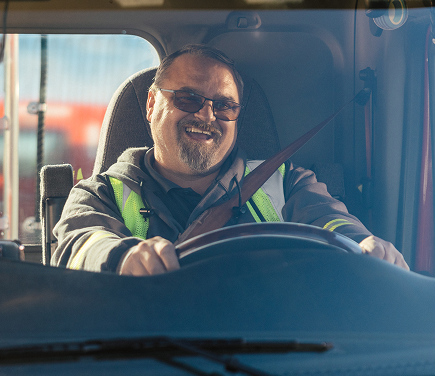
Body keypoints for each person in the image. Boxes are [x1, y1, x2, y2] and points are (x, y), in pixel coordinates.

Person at [51, 44, 409, 274]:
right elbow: (79, 246)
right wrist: (124, 258)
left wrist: (364, 245)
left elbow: (330, 223)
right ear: (151, 105)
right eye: (188, 99)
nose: (207, 116)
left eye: (223, 105)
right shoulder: (99, 193)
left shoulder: (287, 184)